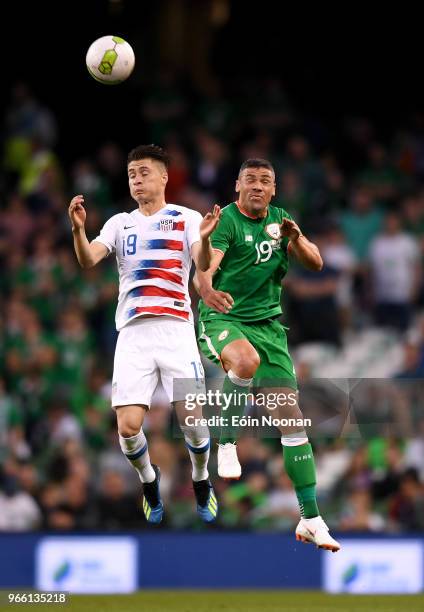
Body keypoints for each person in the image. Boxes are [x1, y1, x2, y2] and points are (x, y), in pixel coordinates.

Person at [68, 144, 220, 525]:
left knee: (193, 421)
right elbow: (88, 259)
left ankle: (201, 478)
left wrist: (206, 237)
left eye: (145, 172)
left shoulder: (186, 218)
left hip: (176, 331)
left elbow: (202, 264)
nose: (137, 180)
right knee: (128, 426)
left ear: (164, 177)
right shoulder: (120, 223)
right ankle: (149, 481)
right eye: (132, 173)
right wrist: (77, 229)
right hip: (133, 335)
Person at [195, 158, 340, 551]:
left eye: (266, 181)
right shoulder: (225, 220)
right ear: (237, 186)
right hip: (224, 317)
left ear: (274, 190)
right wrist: (205, 284)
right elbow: (206, 270)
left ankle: (311, 518)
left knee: (293, 423)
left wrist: (296, 238)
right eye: (251, 180)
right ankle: (225, 442)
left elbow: (316, 262)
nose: (258, 186)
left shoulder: (280, 219)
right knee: (244, 361)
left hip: (270, 329)